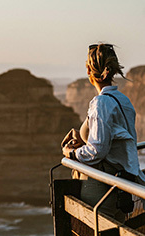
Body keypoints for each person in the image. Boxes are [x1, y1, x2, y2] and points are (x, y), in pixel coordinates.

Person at [61, 43, 145, 222]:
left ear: (89, 72)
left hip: (100, 186)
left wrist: (72, 153)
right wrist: (83, 138)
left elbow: (97, 150)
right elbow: (113, 139)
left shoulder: (101, 103)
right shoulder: (123, 100)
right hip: (121, 183)